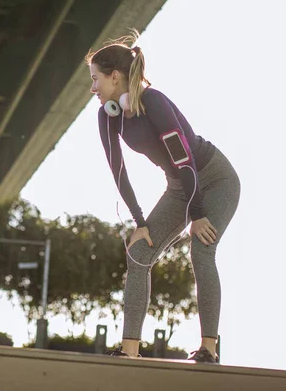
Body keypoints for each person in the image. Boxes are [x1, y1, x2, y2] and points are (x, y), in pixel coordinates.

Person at [86, 32, 240, 363]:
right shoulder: (108, 115)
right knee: (139, 252)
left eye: (96, 79)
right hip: (178, 187)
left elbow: (184, 159)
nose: (93, 88)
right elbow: (118, 171)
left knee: (202, 250)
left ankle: (209, 349)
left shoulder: (153, 101)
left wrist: (197, 213)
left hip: (214, 178)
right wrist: (140, 222)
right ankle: (130, 351)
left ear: (115, 77)